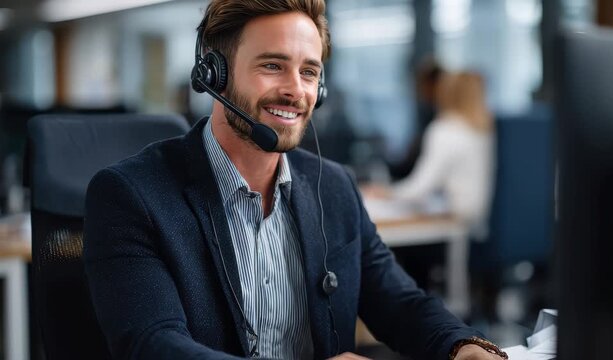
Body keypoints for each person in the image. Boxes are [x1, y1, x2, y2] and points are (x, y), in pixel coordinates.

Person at [83, 1, 506, 359]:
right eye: (272, 65)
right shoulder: (131, 196)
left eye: (309, 72)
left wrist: (462, 346)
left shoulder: (334, 187)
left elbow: (399, 302)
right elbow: (153, 345)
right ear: (215, 74)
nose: (296, 90)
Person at [367, 71, 494, 239]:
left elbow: (419, 190)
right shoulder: (485, 131)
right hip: (479, 228)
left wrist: (386, 193)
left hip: (454, 230)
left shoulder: (445, 129)